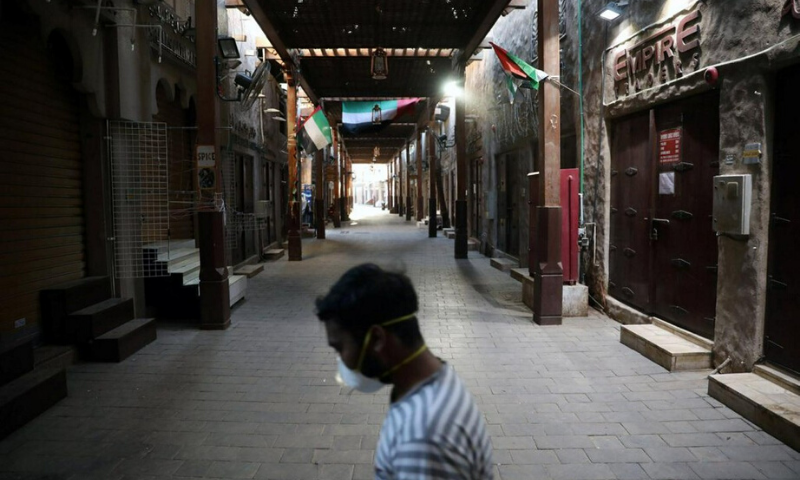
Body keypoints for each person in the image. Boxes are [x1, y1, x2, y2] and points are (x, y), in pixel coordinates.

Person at [315, 264, 493, 479]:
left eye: (340, 347)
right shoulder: (436, 380)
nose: (340, 359)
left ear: (378, 339)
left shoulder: (422, 438)